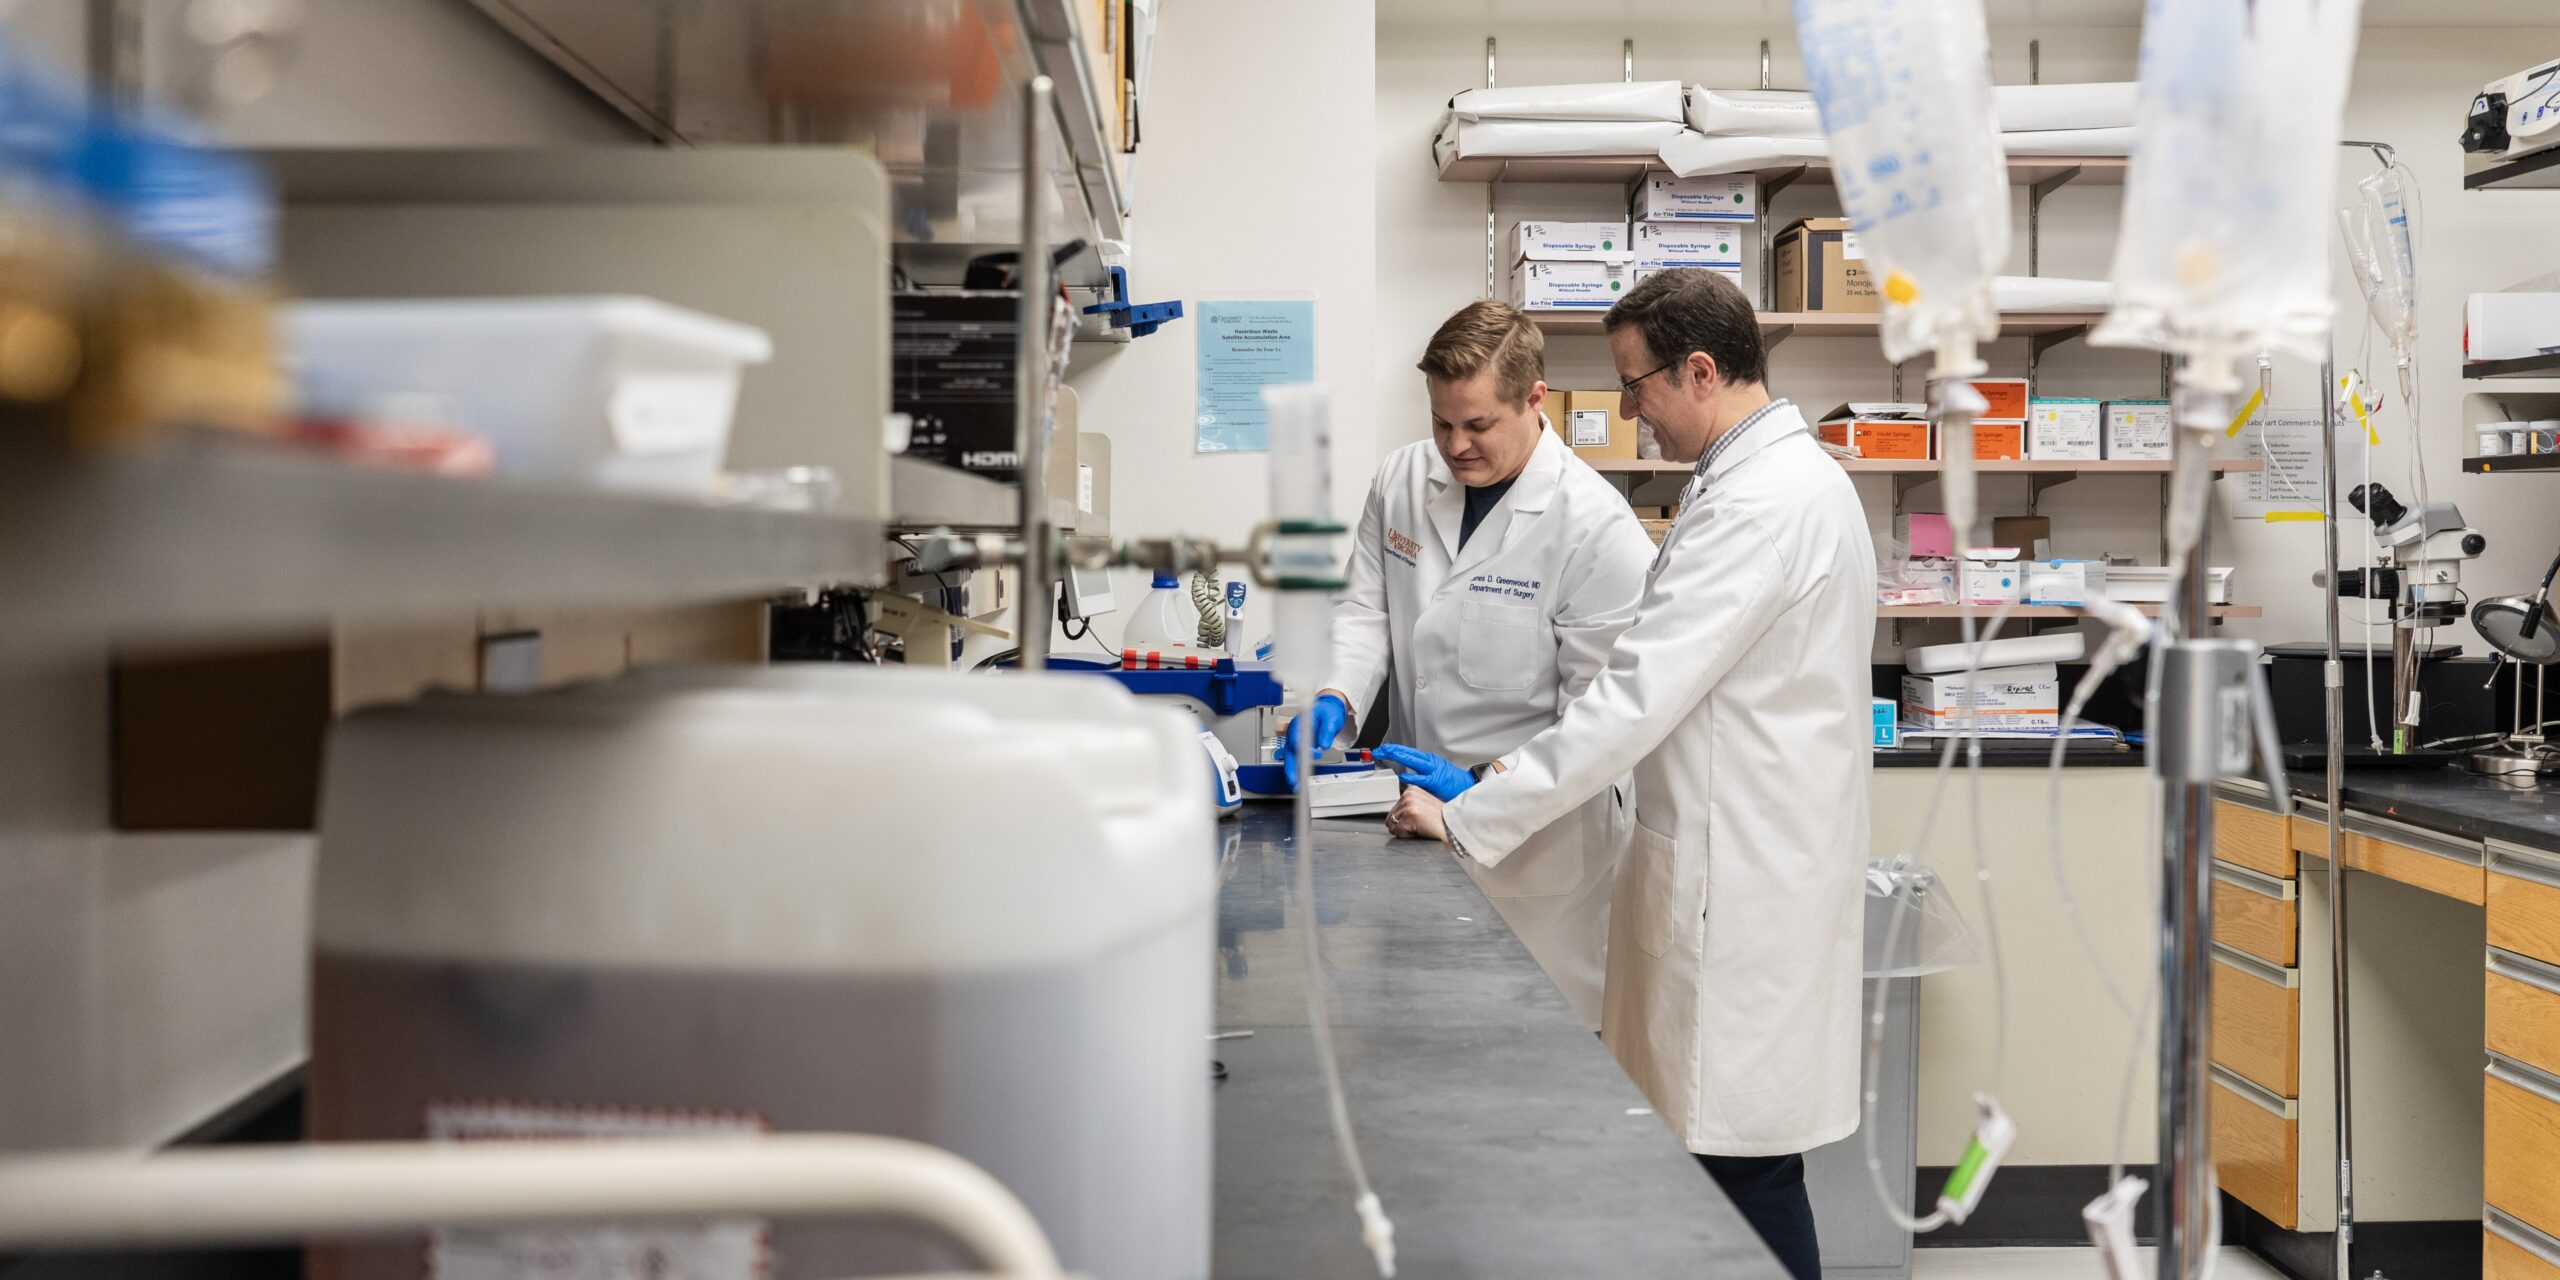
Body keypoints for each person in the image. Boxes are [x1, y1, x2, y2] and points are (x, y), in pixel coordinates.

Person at [1377, 270, 1875, 1280]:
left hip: (1737, 888)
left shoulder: (1760, 506)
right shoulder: (1764, 483)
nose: (1625, 407)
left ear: (1699, 370)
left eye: (1635, 383)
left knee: (1741, 1169)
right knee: (1723, 1160)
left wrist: (1478, 803)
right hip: (1740, 866)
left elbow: (1626, 702)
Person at [1286, 298, 1655, 1030]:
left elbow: (1601, 728)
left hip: (1539, 848)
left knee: (1526, 1053)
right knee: (1422, 1042)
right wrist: (1336, 696)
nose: (1454, 445)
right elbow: (1364, 614)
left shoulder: (1595, 530)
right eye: (1441, 422)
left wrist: (1481, 792)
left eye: (1478, 424)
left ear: (1534, 400)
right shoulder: (1401, 481)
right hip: (1415, 819)